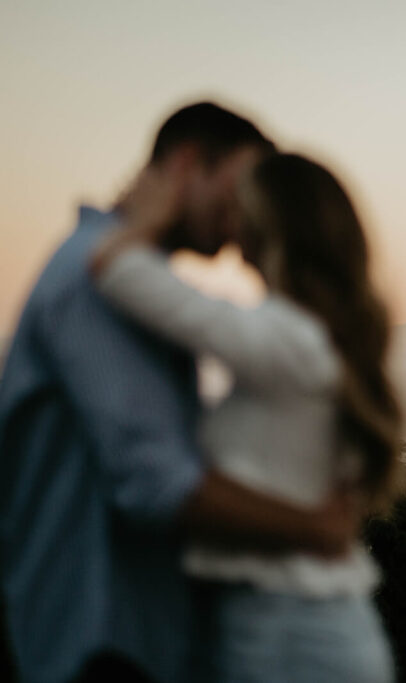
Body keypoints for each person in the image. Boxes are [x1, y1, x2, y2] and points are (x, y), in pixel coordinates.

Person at [0, 103, 363, 683]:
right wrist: (314, 529)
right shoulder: (96, 282)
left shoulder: (119, 277)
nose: (245, 216)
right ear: (189, 163)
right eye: (240, 188)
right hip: (103, 642)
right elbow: (157, 485)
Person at [91, 152, 403, 682]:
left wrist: (149, 218)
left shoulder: (287, 339)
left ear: (268, 232)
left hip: (289, 636)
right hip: (305, 630)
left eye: (241, 214)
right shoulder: (320, 339)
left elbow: (120, 274)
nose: (230, 231)